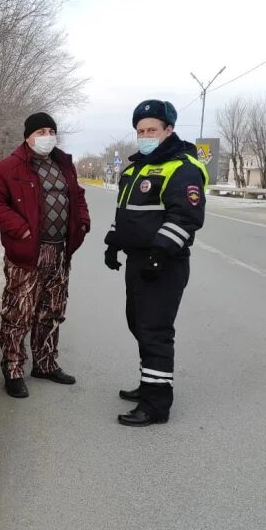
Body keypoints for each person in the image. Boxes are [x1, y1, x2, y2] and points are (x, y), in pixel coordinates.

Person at [104, 100, 208, 426]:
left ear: (169, 130)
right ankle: (150, 385)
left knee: (155, 332)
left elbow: (186, 217)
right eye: (141, 130)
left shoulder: (183, 167)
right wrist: (113, 243)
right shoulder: (136, 169)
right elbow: (126, 216)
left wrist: (158, 254)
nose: (146, 135)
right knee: (138, 324)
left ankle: (156, 405)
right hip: (139, 262)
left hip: (164, 264)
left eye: (152, 129)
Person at [0, 112, 90, 398]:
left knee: (52, 311)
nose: (47, 136)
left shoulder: (64, 165)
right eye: (41, 131)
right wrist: (21, 229)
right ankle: (13, 369)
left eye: (51, 131)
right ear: (28, 136)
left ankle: (45, 363)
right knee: (19, 313)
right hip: (27, 253)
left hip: (59, 251)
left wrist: (83, 221)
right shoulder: (9, 167)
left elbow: (77, 196)